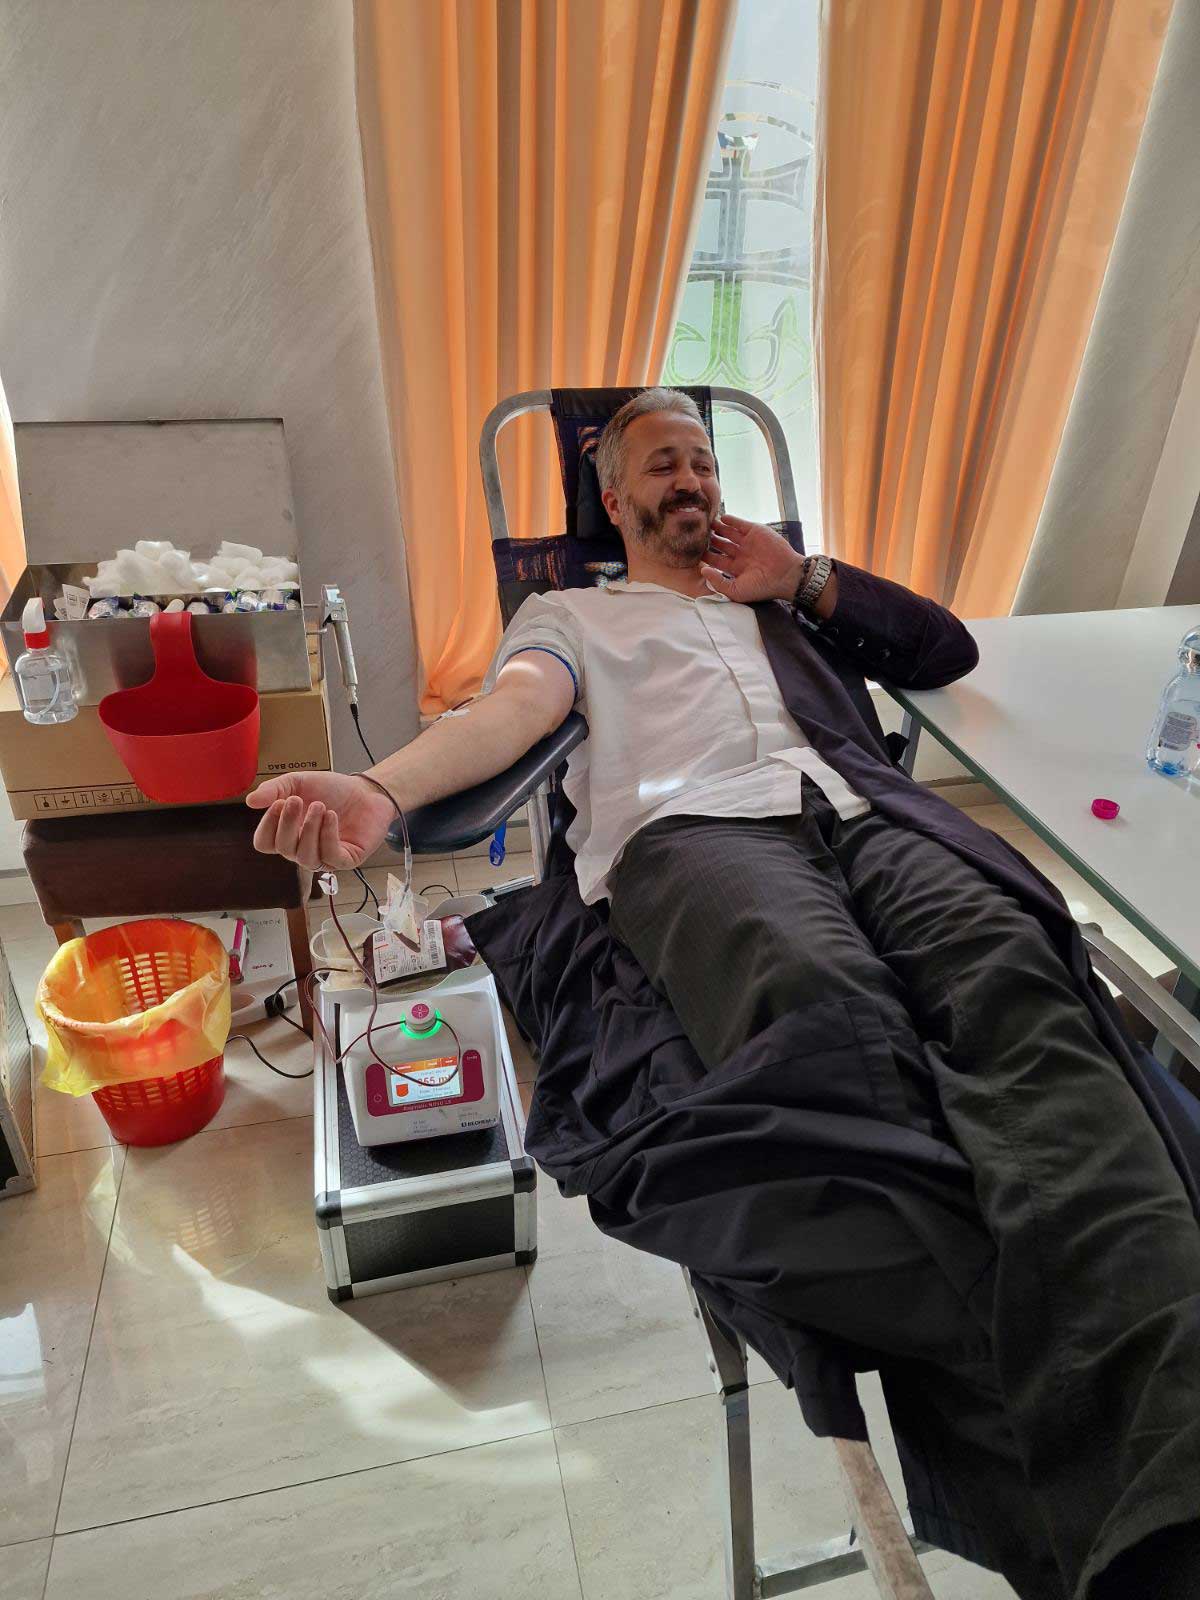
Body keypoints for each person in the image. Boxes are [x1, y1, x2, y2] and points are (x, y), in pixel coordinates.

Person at [249, 389, 1200, 1599]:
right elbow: (513, 710)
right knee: (829, 1023)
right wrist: (383, 791)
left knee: (1026, 995)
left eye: (702, 458)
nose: (690, 478)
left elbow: (946, 651)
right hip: (690, 835)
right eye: (662, 462)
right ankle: (1133, 1493)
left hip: (868, 817)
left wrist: (801, 579)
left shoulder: (781, 597)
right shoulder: (572, 614)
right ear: (613, 497)